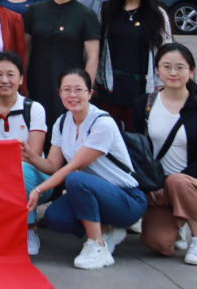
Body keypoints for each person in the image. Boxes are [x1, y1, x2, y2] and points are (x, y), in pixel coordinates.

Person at [24, 68, 148, 270]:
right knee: (55, 217)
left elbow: (75, 165)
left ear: (90, 93)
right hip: (92, 194)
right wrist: (31, 156)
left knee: (75, 178)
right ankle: (106, 229)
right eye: (66, 89)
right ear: (59, 93)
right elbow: (53, 166)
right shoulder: (62, 122)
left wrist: (39, 189)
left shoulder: (103, 123)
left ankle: (97, 245)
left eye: (78, 90)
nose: (72, 95)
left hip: (127, 199)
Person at [134, 43, 197, 265]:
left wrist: (169, 184)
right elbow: (136, 151)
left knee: (178, 182)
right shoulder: (145, 104)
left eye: (180, 67)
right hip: (159, 190)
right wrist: (152, 185)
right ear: (157, 70)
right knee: (157, 241)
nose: (173, 72)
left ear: (191, 71)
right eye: (166, 66)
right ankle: (179, 222)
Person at [0, 52, 48, 254]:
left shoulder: (34, 109)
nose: (4, 80)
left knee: (22, 170)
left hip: (34, 177)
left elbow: (32, 155)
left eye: (10, 74)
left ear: (21, 79)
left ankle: (29, 228)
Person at [96, 0, 172, 128]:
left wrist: (162, 86)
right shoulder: (107, 11)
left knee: (138, 139)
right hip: (111, 89)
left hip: (144, 91)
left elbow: (167, 53)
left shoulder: (157, 14)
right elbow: (98, 50)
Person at [25, 0, 102, 127]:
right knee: (37, 122)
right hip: (37, 77)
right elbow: (26, 49)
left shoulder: (86, 15)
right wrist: (22, 81)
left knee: (67, 124)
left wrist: (85, 89)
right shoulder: (35, 11)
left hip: (70, 82)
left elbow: (93, 57)